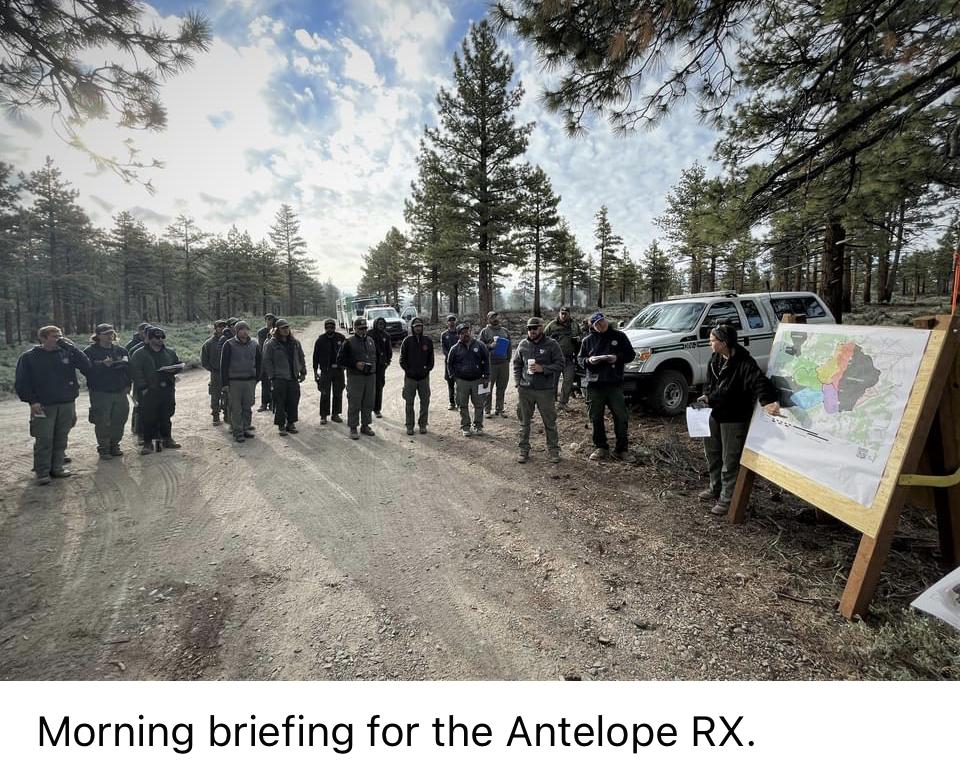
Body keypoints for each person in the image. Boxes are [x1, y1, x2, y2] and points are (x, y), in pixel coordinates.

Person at [697, 323, 780, 515]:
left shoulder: (744, 363)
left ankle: (727, 499)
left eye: (712, 340)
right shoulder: (714, 359)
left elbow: (759, 381)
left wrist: (768, 401)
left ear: (724, 342)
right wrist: (706, 397)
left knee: (730, 460)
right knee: (713, 454)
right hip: (713, 414)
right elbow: (710, 384)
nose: (709, 343)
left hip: (733, 418)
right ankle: (714, 488)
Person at [15, 326, 91, 485]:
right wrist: (32, 401)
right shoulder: (29, 357)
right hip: (43, 405)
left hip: (66, 402)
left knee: (61, 437)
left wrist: (72, 348)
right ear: (43, 338)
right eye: (54, 336)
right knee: (44, 438)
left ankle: (57, 467)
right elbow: (22, 382)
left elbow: (87, 366)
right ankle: (42, 472)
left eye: (60, 336)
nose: (59, 339)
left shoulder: (66, 353)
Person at [578, 311, 636, 461]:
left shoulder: (619, 336)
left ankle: (622, 449)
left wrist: (617, 358)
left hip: (614, 383)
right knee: (595, 417)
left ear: (606, 320)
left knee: (621, 416)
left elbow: (631, 355)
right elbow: (580, 359)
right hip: (594, 384)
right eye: (597, 324)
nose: (601, 325)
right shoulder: (587, 341)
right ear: (593, 327)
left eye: (602, 321)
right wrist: (589, 361)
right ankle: (601, 447)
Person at [513, 317, 564, 463]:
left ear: (541, 328)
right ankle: (524, 449)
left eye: (535, 328)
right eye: (529, 328)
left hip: (545, 390)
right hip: (526, 390)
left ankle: (553, 450)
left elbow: (560, 364)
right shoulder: (523, 344)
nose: (532, 331)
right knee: (524, 422)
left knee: (550, 422)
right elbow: (516, 364)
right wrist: (518, 382)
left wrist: (544, 369)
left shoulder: (551, 344)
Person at [129, 326, 183, 454]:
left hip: (167, 389)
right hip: (149, 390)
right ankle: (147, 443)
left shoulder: (169, 352)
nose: (160, 340)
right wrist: (143, 388)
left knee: (166, 415)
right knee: (148, 417)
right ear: (149, 338)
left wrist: (175, 369)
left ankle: (167, 439)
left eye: (162, 337)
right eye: (157, 337)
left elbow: (178, 364)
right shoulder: (139, 353)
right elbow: (136, 372)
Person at [82, 323, 131, 459]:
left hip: (119, 390)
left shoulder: (121, 350)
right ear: (98, 336)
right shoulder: (90, 352)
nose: (110, 336)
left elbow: (128, 369)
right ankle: (104, 448)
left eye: (111, 333)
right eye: (106, 334)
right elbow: (86, 370)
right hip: (100, 392)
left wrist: (128, 384)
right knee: (102, 420)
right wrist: (102, 365)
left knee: (120, 419)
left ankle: (114, 445)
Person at [262, 318, 306, 436]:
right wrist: (272, 376)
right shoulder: (271, 344)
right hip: (279, 378)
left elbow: (301, 357)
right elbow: (267, 361)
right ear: (277, 330)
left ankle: (291, 423)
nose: (286, 330)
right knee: (280, 402)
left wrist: (303, 372)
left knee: (293, 401)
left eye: (287, 327)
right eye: (283, 328)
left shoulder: (295, 343)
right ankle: (281, 425)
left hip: (293, 377)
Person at [220, 320, 261, 443]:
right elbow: (224, 365)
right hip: (234, 381)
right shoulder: (229, 344)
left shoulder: (254, 344)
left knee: (248, 406)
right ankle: (238, 431)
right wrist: (225, 384)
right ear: (236, 331)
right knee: (236, 408)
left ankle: (246, 428)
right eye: (241, 329)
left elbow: (259, 362)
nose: (244, 331)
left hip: (250, 380)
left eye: (246, 329)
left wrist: (257, 378)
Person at [337, 316, 377, 439]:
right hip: (355, 377)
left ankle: (365, 425)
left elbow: (375, 357)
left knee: (368, 402)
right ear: (354, 328)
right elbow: (340, 360)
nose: (363, 330)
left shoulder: (370, 340)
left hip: (370, 377)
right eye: (360, 328)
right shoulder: (348, 342)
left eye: (365, 328)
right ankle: (353, 427)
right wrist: (355, 364)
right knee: (355, 403)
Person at [446, 323, 489, 437]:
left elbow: (486, 362)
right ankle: (465, 427)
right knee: (462, 405)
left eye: (467, 331)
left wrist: (486, 377)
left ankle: (478, 426)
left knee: (479, 405)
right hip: (462, 382)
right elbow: (449, 364)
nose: (465, 334)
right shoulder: (454, 349)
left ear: (470, 332)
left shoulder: (480, 345)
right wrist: (455, 378)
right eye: (462, 333)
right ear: (458, 335)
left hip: (478, 380)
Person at [399, 317, 434, 435]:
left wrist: (426, 370)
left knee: (425, 402)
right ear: (412, 328)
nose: (418, 328)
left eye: (420, 326)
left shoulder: (427, 341)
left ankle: (423, 425)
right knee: (409, 403)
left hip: (424, 378)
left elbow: (431, 360)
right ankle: (409, 425)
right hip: (410, 378)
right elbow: (401, 359)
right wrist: (408, 371)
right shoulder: (407, 341)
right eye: (416, 327)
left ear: (422, 327)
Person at [544, 306, 581, 408]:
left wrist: (578, 339)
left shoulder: (574, 325)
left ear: (569, 314)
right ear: (559, 314)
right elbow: (543, 338)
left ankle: (563, 403)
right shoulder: (552, 325)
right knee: (553, 381)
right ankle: (551, 402)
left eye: (566, 313)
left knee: (568, 380)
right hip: (554, 358)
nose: (564, 315)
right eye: (562, 313)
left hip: (569, 358)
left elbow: (581, 337)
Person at [313, 318, 346, 425]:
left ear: (334, 327)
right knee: (325, 393)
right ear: (325, 328)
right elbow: (315, 357)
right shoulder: (320, 340)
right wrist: (315, 372)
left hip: (338, 371)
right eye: (327, 327)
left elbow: (347, 354)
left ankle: (335, 414)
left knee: (338, 393)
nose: (330, 329)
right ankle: (323, 416)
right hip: (325, 371)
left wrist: (345, 366)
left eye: (332, 326)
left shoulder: (341, 338)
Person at [479, 310, 511, 418]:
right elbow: (479, 347)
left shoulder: (505, 331)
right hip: (490, 364)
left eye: (496, 317)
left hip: (503, 364)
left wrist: (508, 359)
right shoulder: (484, 331)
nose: (495, 319)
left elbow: (509, 347)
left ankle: (500, 409)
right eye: (492, 317)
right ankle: (487, 410)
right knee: (487, 387)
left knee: (502, 387)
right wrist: (490, 346)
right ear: (488, 319)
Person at [200, 319, 228, 425]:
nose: (221, 329)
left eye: (223, 326)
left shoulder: (228, 341)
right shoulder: (209, 343)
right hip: (216, 373)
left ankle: (227, 415)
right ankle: (215, 415)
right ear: (215, 328)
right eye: (219, 327)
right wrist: (212, 369)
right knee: (215, 394)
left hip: (227, 373)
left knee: (227, 395)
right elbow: (204, 360)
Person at [369, 316, 392, 418]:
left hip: (381, 366)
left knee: (379, 387)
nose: (381, 326)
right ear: (375, 324)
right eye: (379, 324)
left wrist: (387, 361)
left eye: (383, 324)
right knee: (369, 387)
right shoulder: (369, 334)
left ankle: (377, 409)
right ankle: (368, 408)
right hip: (370, 365)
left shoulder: (386, 336)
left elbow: (389, 350)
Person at [256, 313, 277, 412]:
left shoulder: (277, 331)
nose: (269, 321)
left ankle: (273, 403)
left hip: (274, 361)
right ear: (265, 320)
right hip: (264, 360)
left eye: (271, 319)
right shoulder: (261, 332)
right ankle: (264, 403)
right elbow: (261, 347)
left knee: (274, 383)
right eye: (268, 319)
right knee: (265, 383)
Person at [440, 314, 459, 410]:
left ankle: (459, 402)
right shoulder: (444, 335)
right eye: (450, 320)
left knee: (460, 383)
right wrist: (450, 357)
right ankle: (451, 402)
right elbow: (443, 348)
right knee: (450, 382)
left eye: (453, 320)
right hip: (448, 362)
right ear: (447, 322)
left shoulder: (459, 333)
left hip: (459, 362)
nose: (452, 322)